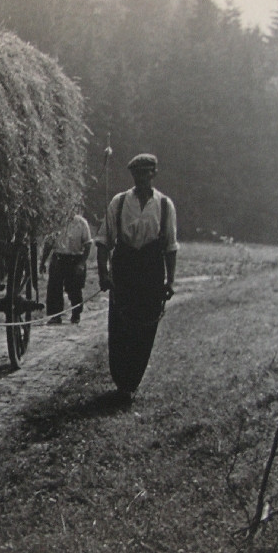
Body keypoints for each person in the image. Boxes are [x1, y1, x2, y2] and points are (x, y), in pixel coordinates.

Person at [95, 153, 178, 401]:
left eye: (145, 173)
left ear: (153, 174)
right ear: (132, 175)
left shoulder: (164, 205)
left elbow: (171, 247)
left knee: (145, 326)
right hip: (125, 268)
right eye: (136, 174)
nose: (140, 179)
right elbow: (103, 241)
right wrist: (103, 274)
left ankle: (132, 382)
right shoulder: (119, 202)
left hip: (151, 269)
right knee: (121, 325)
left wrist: (170, 281)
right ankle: (121, 382)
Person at [39, 212, 92, 324]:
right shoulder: (55, 223)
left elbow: (88, 245)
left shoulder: (81, 223)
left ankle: (76, 314)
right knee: (54, 287)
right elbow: (48, 244)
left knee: (74, 289)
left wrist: (82, 263)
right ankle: (55, 316)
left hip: (75, 259)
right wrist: (43, 262)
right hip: (58, 259)